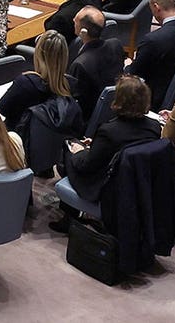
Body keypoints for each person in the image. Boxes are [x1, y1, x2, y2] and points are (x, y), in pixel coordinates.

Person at [52, 75, 160, 229]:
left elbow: (87, 166)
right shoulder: (154, 127)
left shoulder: (109, 132)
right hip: (134, 183)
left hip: (106, 187)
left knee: (69, 148)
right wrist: (96, 144)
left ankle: (68, 217)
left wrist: (78, 151)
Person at [0, 29, 72, 131]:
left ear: (38, 54)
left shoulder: (25, 83)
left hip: (19, 137)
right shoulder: (70, 86)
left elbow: (2, 108)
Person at [68, 6, 126, 119]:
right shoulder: (116, 44)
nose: (73, 20)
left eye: (76, 20)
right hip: (115, 107)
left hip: (89, 116)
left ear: (83, 32)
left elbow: (75, 103)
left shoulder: (80, 64)